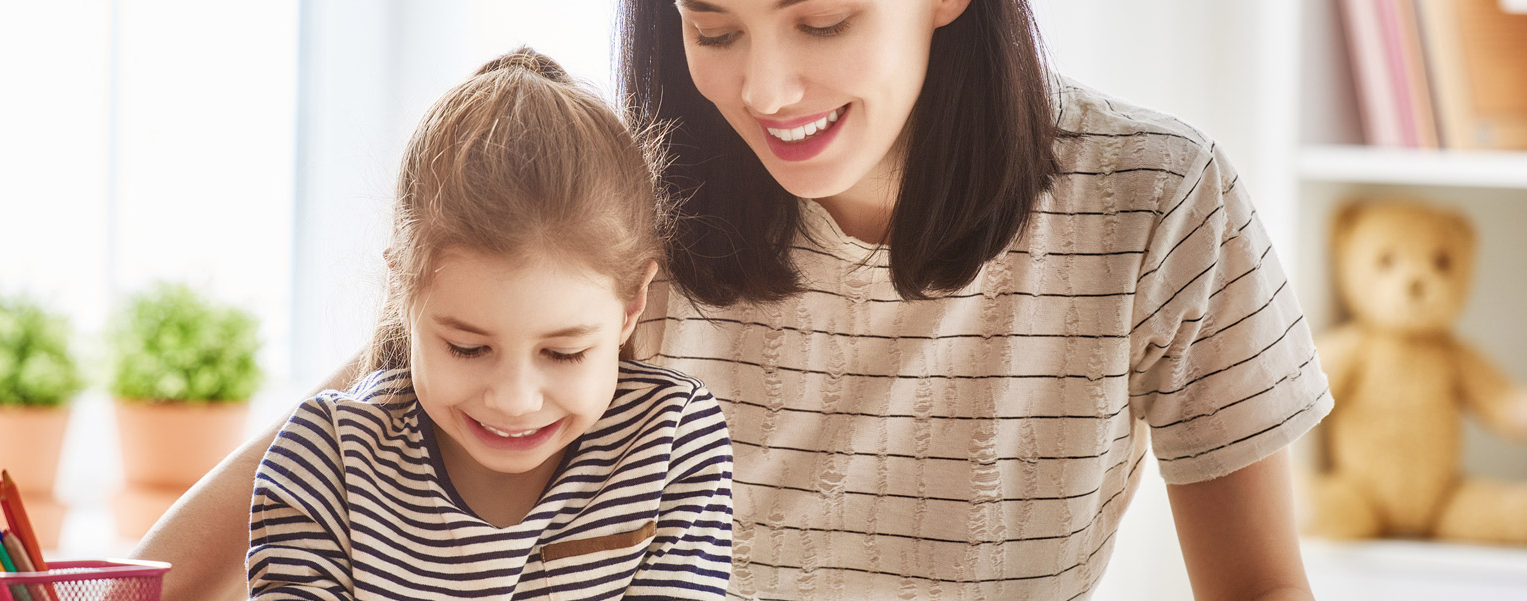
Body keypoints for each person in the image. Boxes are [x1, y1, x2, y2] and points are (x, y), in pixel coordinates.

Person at [137, 2, 1330, 599]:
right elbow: (366, 410)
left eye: (823, 19)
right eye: (712, 25)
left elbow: (1261, 588)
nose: (763, 87)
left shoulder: (1157, 202)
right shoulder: (644, 206)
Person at [244, 49, 733, 600]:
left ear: (632, 305)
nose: (515, 401)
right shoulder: (326, 459)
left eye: (564, 353)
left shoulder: (671, 441)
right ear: (402, 293)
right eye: (468, 348)